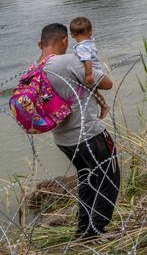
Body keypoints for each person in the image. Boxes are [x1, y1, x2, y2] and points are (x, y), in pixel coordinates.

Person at [40, 23, 120, 239]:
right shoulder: (68, 61)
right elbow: (107, 83)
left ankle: (83, 230)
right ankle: (96, 230)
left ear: (41, 44)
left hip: (63, 138)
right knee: (108, 178)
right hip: (88, 133)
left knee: (87, 180)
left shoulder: (37, 67)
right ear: (65, 40)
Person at [69, 17, 110, 119]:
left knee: (93, 93)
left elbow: (87, 61)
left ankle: (104, 107)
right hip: (97, 70)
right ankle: (103, 107)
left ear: (72, 35)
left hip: (92, 72)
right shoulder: (90, 42)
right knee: (94, 92)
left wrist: (88, 75)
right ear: (91, 32)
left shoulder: (81, 47)